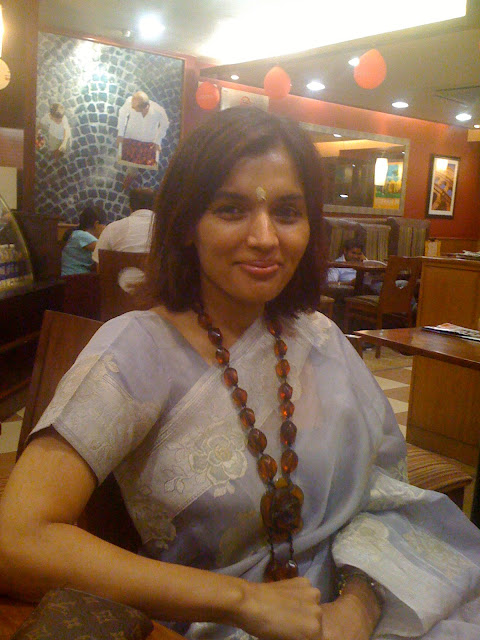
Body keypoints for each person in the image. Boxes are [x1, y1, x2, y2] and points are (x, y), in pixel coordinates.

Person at [1, 106, 480, 640]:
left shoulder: (320, 338)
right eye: (231, 210)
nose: (265, 237)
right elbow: (16, 539)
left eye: (288, 212)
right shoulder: (136, 350)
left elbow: (386, 494)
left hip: (373, 605)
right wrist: (245, 601)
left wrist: (357, 609)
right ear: (186, 224)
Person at [92, 188, 155, 264]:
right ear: (156, 206)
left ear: (130, 207)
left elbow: (99, 262)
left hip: (121, 272)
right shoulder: (166, 229)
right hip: (156, 272)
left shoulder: (112, 228)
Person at [117, 91, 169, 167]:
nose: (132, 107)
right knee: (126, 166)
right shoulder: (130, 102)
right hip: (130, 140)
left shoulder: (158, 110)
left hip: (148, 143)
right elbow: (122, 114)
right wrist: (120, 134)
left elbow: (165, 124)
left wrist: (158, 141)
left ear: (144, 107)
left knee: (145, 169)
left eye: (134, 107)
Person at [60, 206, 106, 275]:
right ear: (96, 224)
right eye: (105, 225)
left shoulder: (78, 234)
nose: (105, 228)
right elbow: (106, 250)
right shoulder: (82, 235)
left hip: (76, 276)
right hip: (71, 278)